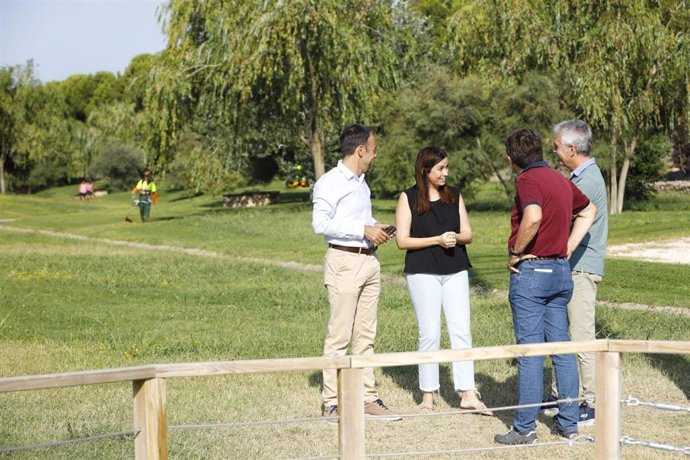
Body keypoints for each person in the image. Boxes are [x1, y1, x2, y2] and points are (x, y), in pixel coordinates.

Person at [494, 128, 596, 445]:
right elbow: (589, 209)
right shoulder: (560, 179)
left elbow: (533, 216)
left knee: (531, 352)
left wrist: (516, 251)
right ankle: (569, 425)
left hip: (533, 271)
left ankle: (524, 428)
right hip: (560, 271)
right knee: (562, 350)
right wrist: (566, 245)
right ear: (540, 151)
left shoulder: (527, 179)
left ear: (511, 159)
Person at [312, 123, 400, 422]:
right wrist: (361, 230)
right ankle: (332, 403)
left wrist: (375, 226)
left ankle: (367, 398)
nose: (375, 156)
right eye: (373, 151)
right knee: (339, 335)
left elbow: (358, 218)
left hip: (369, 263)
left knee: (366, 335)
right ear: (360, 149)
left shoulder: (362, 182)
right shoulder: (330, 182)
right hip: (344, 262)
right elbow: (320, 224)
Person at [395, 146, 492, 415]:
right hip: (422, 271)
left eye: (447, 167)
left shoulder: (454, 195)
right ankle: (428, 394)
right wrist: (436, 240)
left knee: (461, 330)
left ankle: (467, 392)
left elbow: (468, 234)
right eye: (440, 168)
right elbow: (402, 240)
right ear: (425, 170)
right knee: (430, 332)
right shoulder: (408, 197)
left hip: (455, 268)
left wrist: (454, 237)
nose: (445, 173)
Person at [543, 120, 608, 425]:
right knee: (564, 334)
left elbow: (561, 217)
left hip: (581, 268)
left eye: (556, 146)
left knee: (582, 337)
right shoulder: (580, 175)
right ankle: (562, 396)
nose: (553, 150)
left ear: (571, 148)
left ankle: (590, 403)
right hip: (572, 265)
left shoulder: (587, 181)